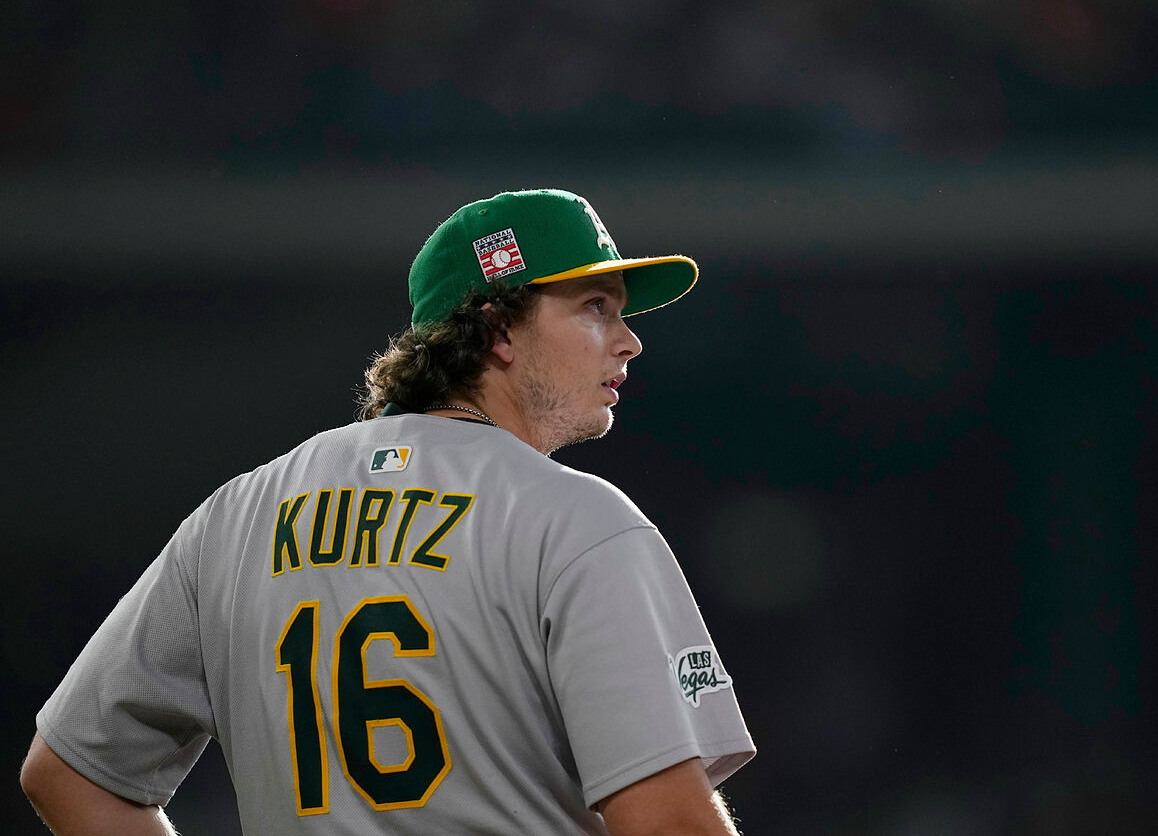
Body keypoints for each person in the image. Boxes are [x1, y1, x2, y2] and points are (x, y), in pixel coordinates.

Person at [21, 188, 755, 835]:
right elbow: (669, 824)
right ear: (497, 329)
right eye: (595, 308)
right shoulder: (576, 521)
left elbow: (68, 771)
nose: (628, 340)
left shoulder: (237, 515)